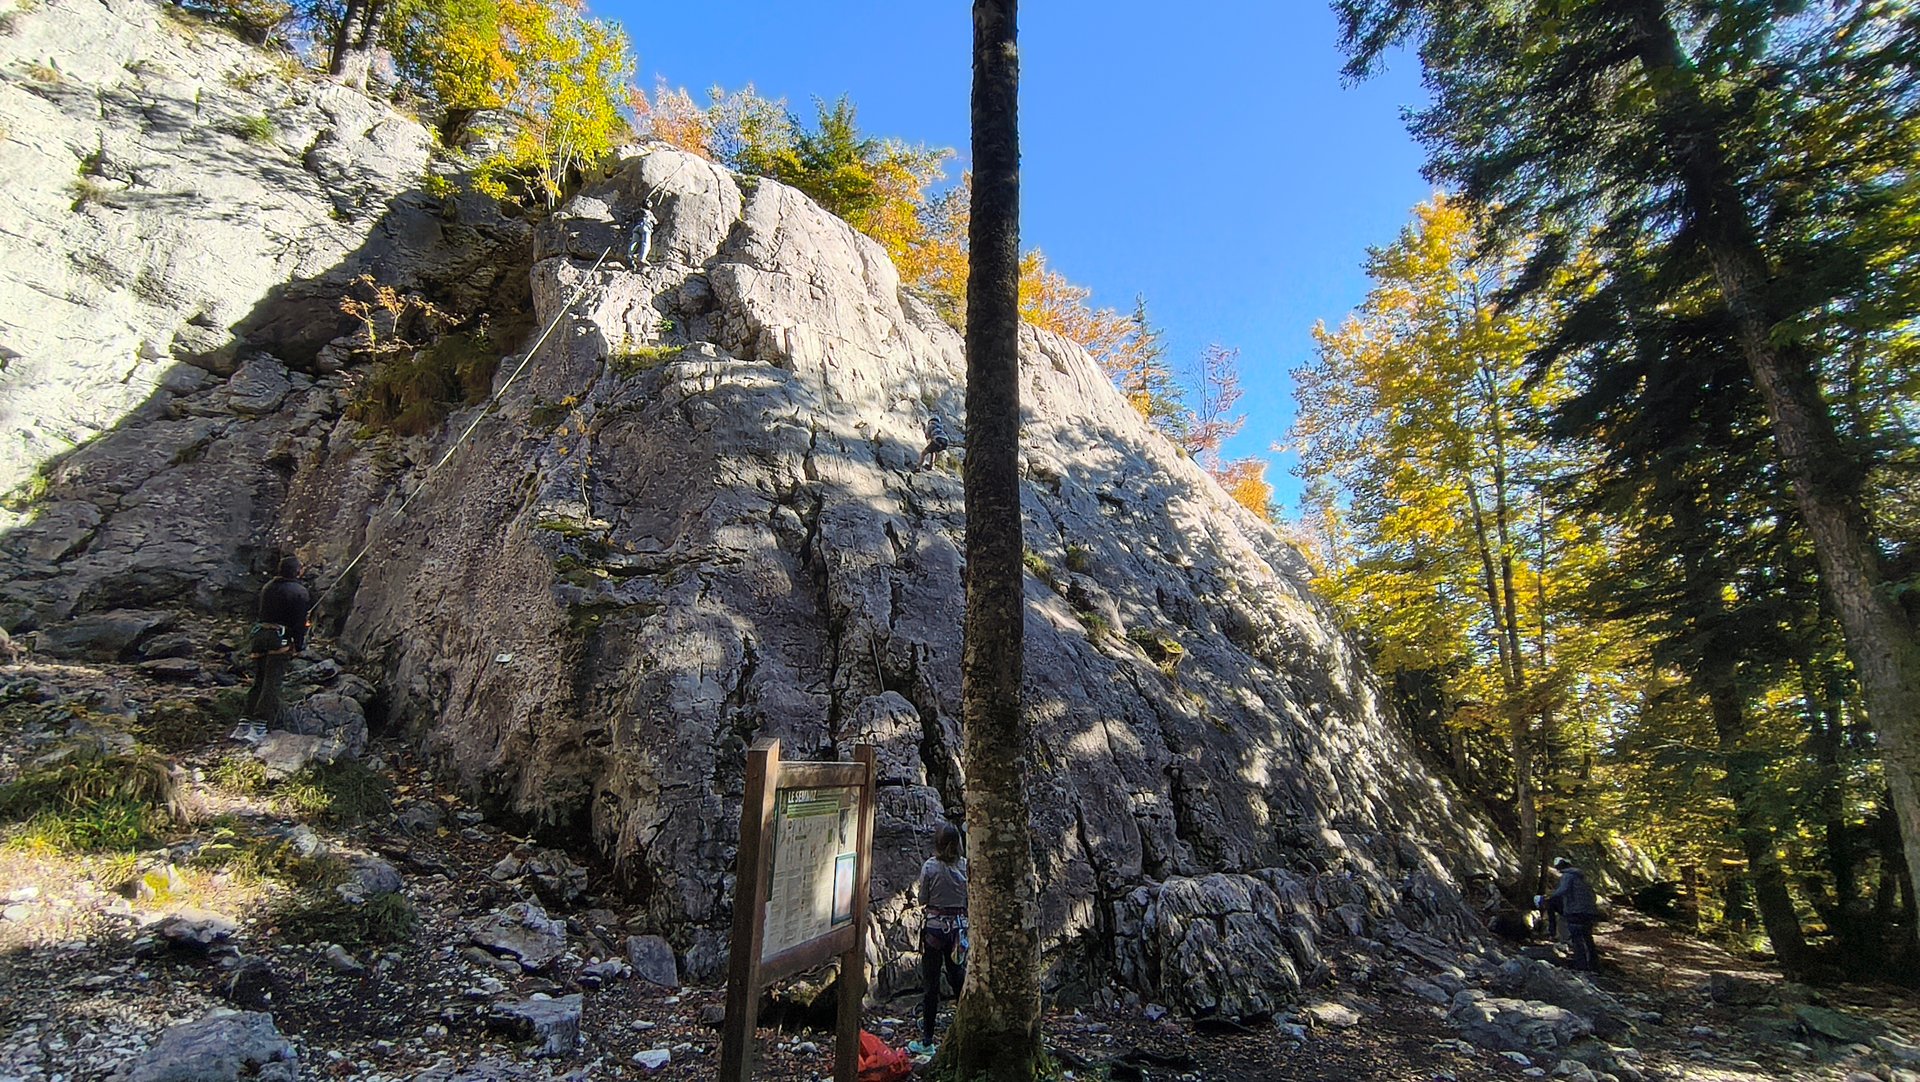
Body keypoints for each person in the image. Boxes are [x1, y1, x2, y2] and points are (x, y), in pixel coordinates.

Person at [911, 822, 967, 1056]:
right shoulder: (965, 866)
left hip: (934, 932)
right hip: (958, 932)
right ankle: (966, 1032)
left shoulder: (930, 867)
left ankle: (927, 1040)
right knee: (958, 980)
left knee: (931, 986)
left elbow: (923, 899)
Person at [245, 555, 312, 728]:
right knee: (272, 684)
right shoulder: (299, 591)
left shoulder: (268, 587)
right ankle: (260, 725)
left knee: (259, 681)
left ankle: (244, 722)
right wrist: (299, 645)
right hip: (279, 639)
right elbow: (298, 624)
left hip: (259, 636)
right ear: (297, 571)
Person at [1538, 856, 1602, 972]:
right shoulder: (1582, 878)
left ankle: (1582, 966)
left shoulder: (1568, 876)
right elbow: (1593, 896)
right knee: (1587, 938)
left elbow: (1562, 890)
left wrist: (1549, 896)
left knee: (1577, 939)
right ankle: (1594, 965)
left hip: (1576, 912)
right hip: (1589, 911)